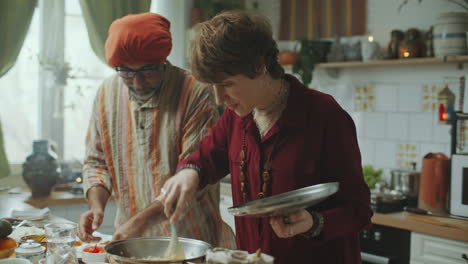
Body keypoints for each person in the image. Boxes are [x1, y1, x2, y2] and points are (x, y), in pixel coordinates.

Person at [161, 10, 372, 264]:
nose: (219, 100)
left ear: (259, 66)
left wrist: (313, 223)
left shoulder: (325, 116)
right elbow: (206, 158)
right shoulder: (236, 117)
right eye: (212, 87)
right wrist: (189, 173)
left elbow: (359, 211)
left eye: (227, 84)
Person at [78, 12, 235, 249]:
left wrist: (139, 223)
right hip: (130, 240)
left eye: (147, 71)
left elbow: (195, 173)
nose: (138, 82)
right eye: (127, 72)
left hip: (190, 240)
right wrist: (96, 206)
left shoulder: (195, 92)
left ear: (164, 61)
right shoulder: (106, 94)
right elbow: (96, 162)